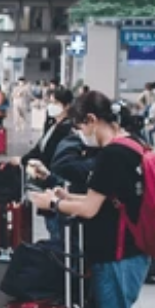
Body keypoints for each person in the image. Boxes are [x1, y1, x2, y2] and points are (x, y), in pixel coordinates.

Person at [27, 91, 152, 308]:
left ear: (93, 121)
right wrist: (64, 197)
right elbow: (102, 201)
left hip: (117, 257)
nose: (81, 134)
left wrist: (52, 203)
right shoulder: (133, 146)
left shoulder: (113, 154)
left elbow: (90, 210)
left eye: (81, 126)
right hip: (130, 254)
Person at [21, 88, 92, 242]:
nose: (51, 106)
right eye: (50, 102)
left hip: (57, 186)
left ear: (67, 105)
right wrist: (26, 160)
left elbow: (52, 156)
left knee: (60, 236)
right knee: (55, 231)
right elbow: (40, 148)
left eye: (55, 103)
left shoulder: (69, 131)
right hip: (49, 183)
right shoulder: (53, 125)